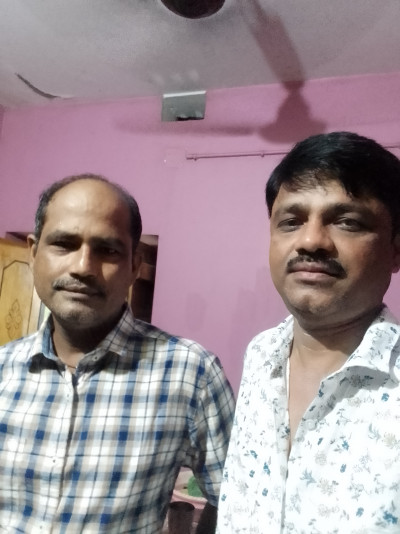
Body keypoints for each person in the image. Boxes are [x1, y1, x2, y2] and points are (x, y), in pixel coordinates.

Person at [0, 173, 235, 533]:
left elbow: (234, 501)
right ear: (33, 253)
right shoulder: (3, 368)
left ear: (134, 265)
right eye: (63, 244)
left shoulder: (191, 373)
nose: (82, 267)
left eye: (107, 250)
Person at [217, 131, 400, 533]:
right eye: (291, 222)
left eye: (348, 222)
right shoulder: (261, 354)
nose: (311, 240)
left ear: (395, 249)